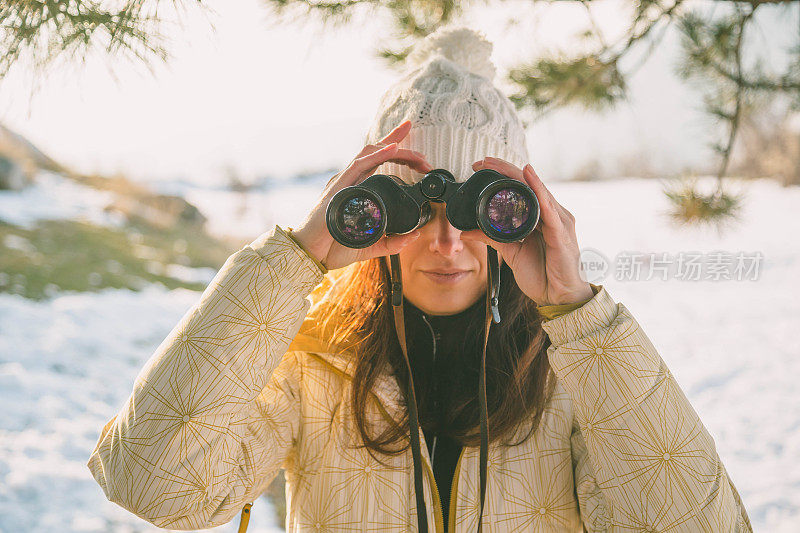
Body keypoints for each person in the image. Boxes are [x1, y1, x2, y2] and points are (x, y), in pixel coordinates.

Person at [88, 26, 753, 532]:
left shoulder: (575, 376)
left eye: (481, 208)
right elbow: (151, 480)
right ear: (366, 212)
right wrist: (295, 257)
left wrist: (579, 315)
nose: (445, 239)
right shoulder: (312, 366)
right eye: (412, 206)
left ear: (521, 212)